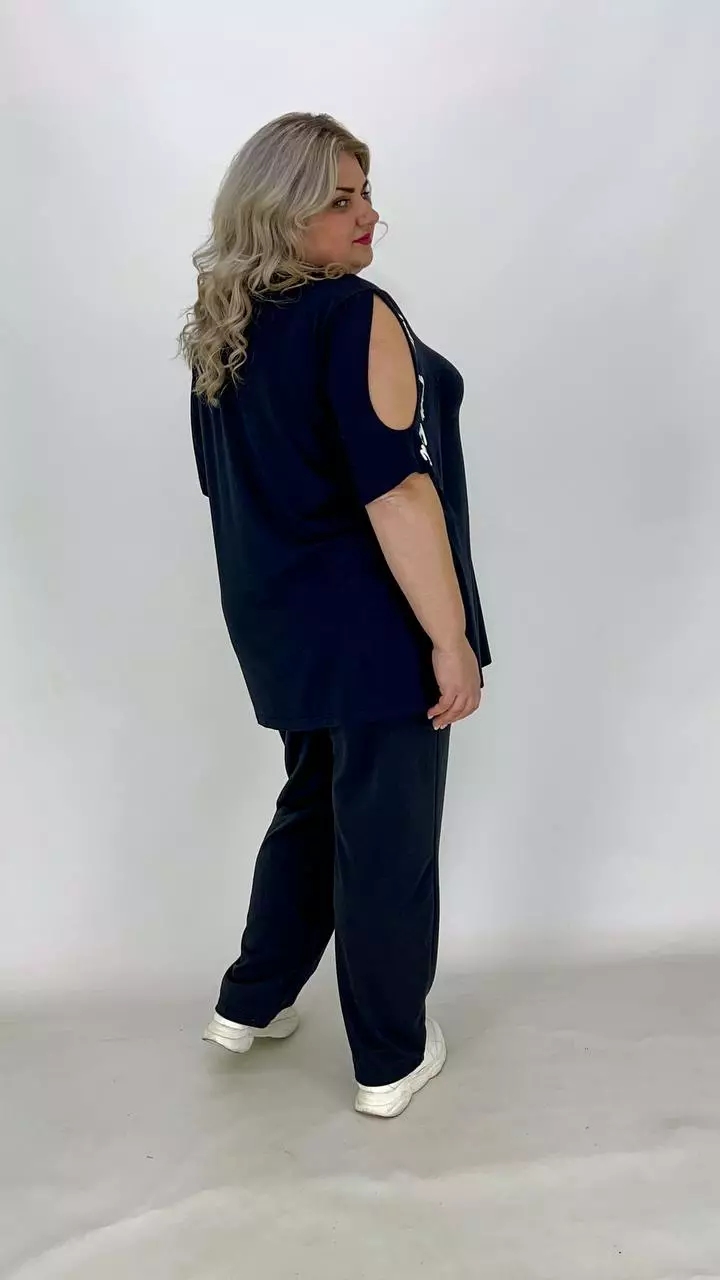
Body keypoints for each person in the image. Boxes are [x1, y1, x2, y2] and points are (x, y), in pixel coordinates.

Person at [179, 112, 492, 1119]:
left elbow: (226, 488)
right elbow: (397, 491)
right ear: (280, 212)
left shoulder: (223, 326)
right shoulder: (354, 313)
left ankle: (251, 1000)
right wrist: (449, 638)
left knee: (313, 807)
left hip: (277, 619)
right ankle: (391, 1056)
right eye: (341, 199)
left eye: (366, 193)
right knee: (387, 840)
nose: (369, 217)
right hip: (375, 622)